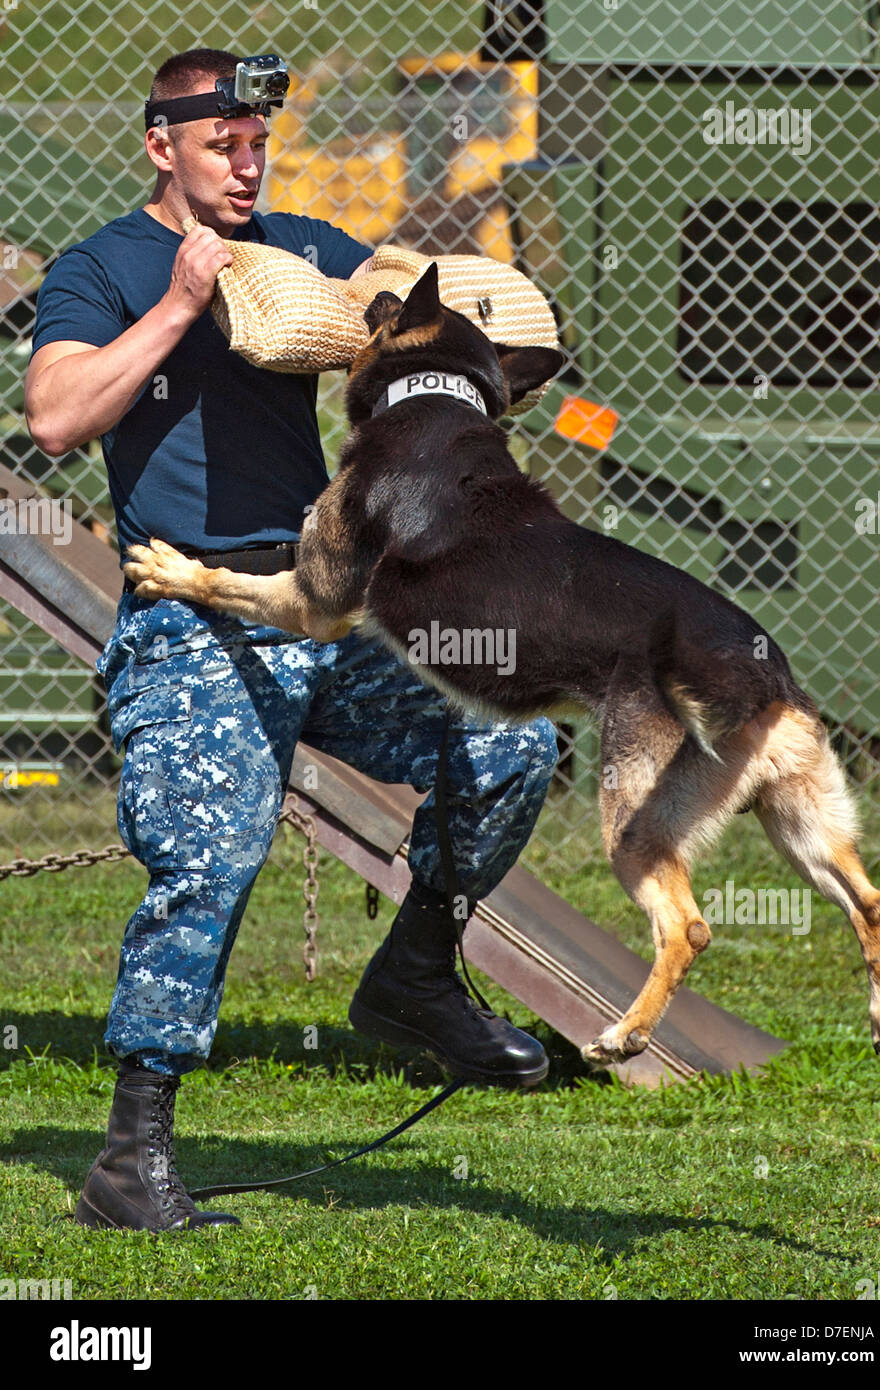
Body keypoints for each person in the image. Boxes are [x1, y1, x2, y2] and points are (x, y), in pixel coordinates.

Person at [25, 47, 558, 1232]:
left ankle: (417, 971)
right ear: (162, 145)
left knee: (510, 737)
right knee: (210, 855)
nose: (247, 163)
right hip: (190, 615)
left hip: (316, 609)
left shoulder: (300, 243)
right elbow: (56, 416)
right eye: (224, 145)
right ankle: (130, 1159)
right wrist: (177, 301)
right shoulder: (104, 267)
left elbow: (401, 292)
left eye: (260, 142)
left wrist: (466, 316)